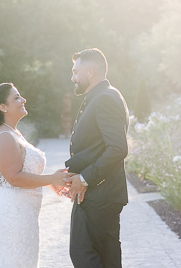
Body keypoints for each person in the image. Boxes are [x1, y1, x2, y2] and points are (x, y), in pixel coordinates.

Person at [0, 82, 70, 268]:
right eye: (17, 97)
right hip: (11, 212)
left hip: (22, 211)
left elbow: (22, 170)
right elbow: (14, 177)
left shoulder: (12, 132)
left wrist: (49, 182)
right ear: (3, 107)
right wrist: (51, 178)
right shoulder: (4, 136)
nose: (23, 100)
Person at [63, 48, 129, 268]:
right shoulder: (104, 95)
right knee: (106, 260)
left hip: (98, 196)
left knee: (84, 256)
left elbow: (118, 148)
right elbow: (97, 146)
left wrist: (85, 178)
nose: (73, 77)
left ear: (90, 72)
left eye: (75, 72)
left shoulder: (104, 98)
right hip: (102, 195)